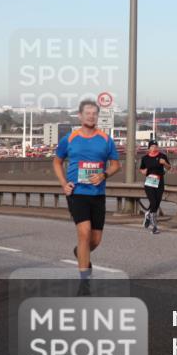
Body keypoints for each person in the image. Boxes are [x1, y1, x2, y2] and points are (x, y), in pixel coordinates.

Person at [52, 99, 121, 284]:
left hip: (97, 193)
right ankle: (84, 280)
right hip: (77, 192)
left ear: (97, 116)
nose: (91, 116)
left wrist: (104, 175)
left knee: (95, 240)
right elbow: (57, 162)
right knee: (84, 232)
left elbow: (116, 165)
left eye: (94, 113)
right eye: (87, 113)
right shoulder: (70, 138)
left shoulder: (106, 140)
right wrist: (64, 183)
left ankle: (80, 252)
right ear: (80, 116)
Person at [139, 139, 172, 234]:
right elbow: (141, 169)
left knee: (157, 203)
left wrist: (164, 163)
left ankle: (148, 215)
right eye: (152, 146)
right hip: (149, 182)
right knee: (153, 202)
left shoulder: (162, 156)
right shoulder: (145, 158)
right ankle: (154, 227)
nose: (154, 148)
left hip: (160, 182)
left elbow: (169, 168)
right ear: (149, 148)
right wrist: (143, 172)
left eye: (156, 146)